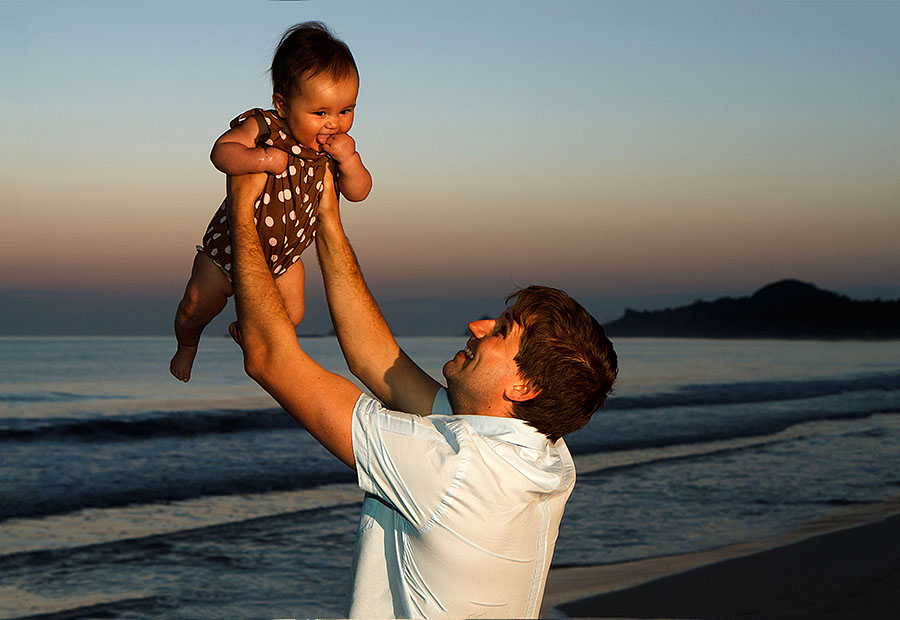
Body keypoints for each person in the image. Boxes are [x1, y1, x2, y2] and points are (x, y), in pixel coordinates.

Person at [226, 168, 617, 618]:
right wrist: (327, 218)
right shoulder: (546, 456)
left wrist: (242, 202)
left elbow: (268, 357)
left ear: (526, 386)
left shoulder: (456, 469)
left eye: (501, 331)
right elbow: (376, 359)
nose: (477, 327)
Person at [170, 22, 372, 381]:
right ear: (283, 103)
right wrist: (260, 159)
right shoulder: (266, 126)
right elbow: (222, 152)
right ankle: (187, 345)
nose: (334, 125)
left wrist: (350, 161)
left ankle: (244, 332)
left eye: (346, 111)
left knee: (291, 316)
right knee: (195, 307)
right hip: (230, 249)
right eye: (320, 113)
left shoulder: (330, 152)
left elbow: (358, 192)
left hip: (285, 256)